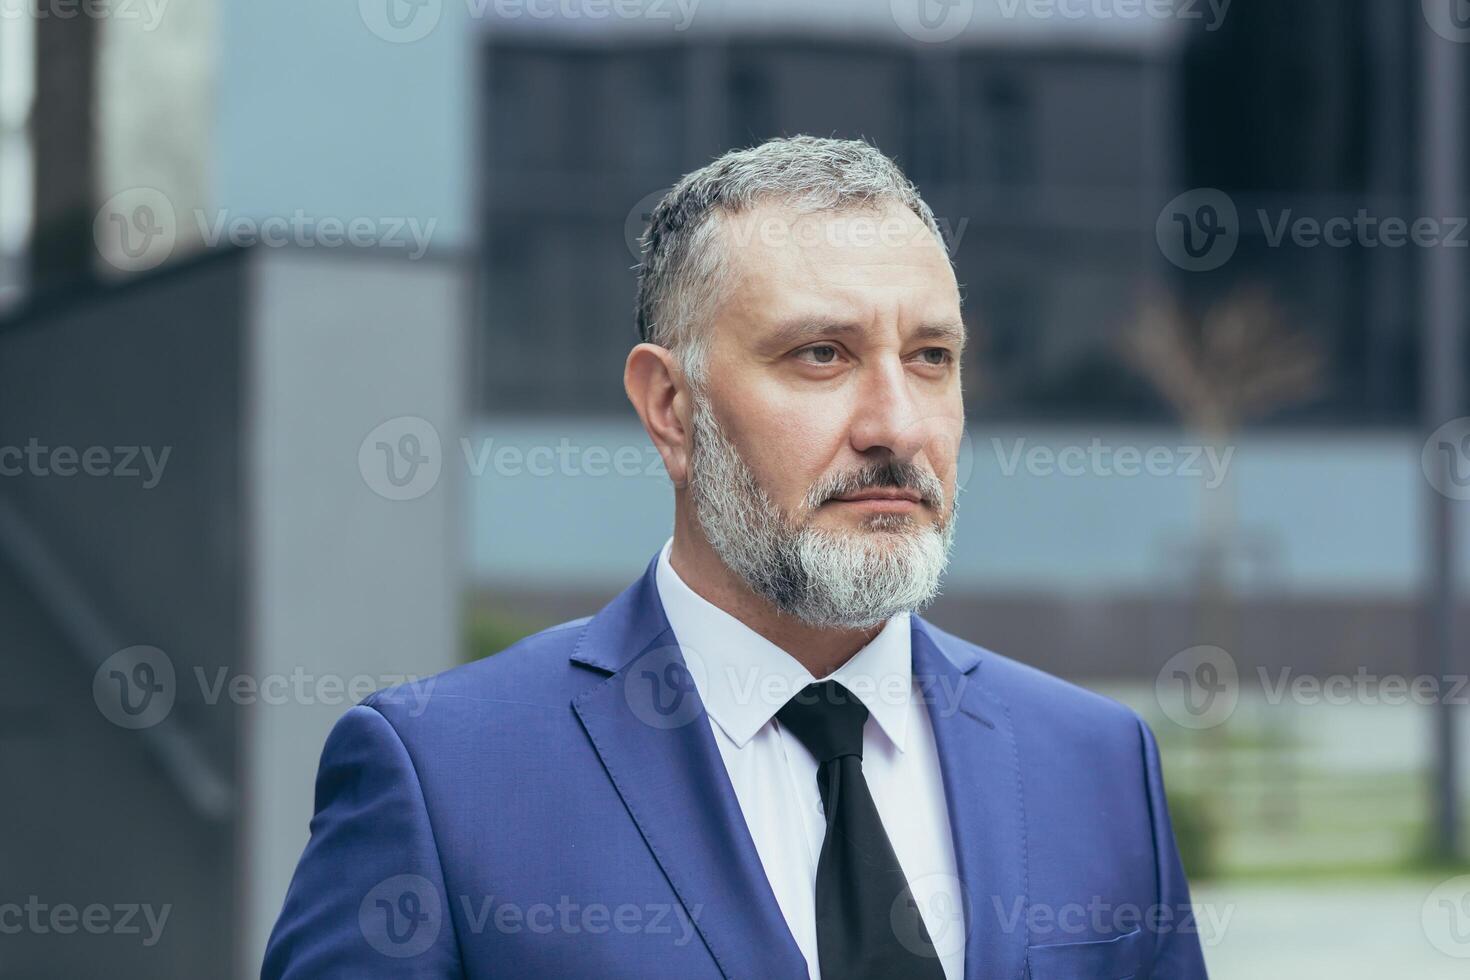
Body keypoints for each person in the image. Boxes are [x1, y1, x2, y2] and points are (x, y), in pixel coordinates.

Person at [263, 135, 1209, 979]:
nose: (897, 426)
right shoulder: (446, 780)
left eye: (930, 357)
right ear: (671, 408)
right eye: (821, 355)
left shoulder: (1094, 764)